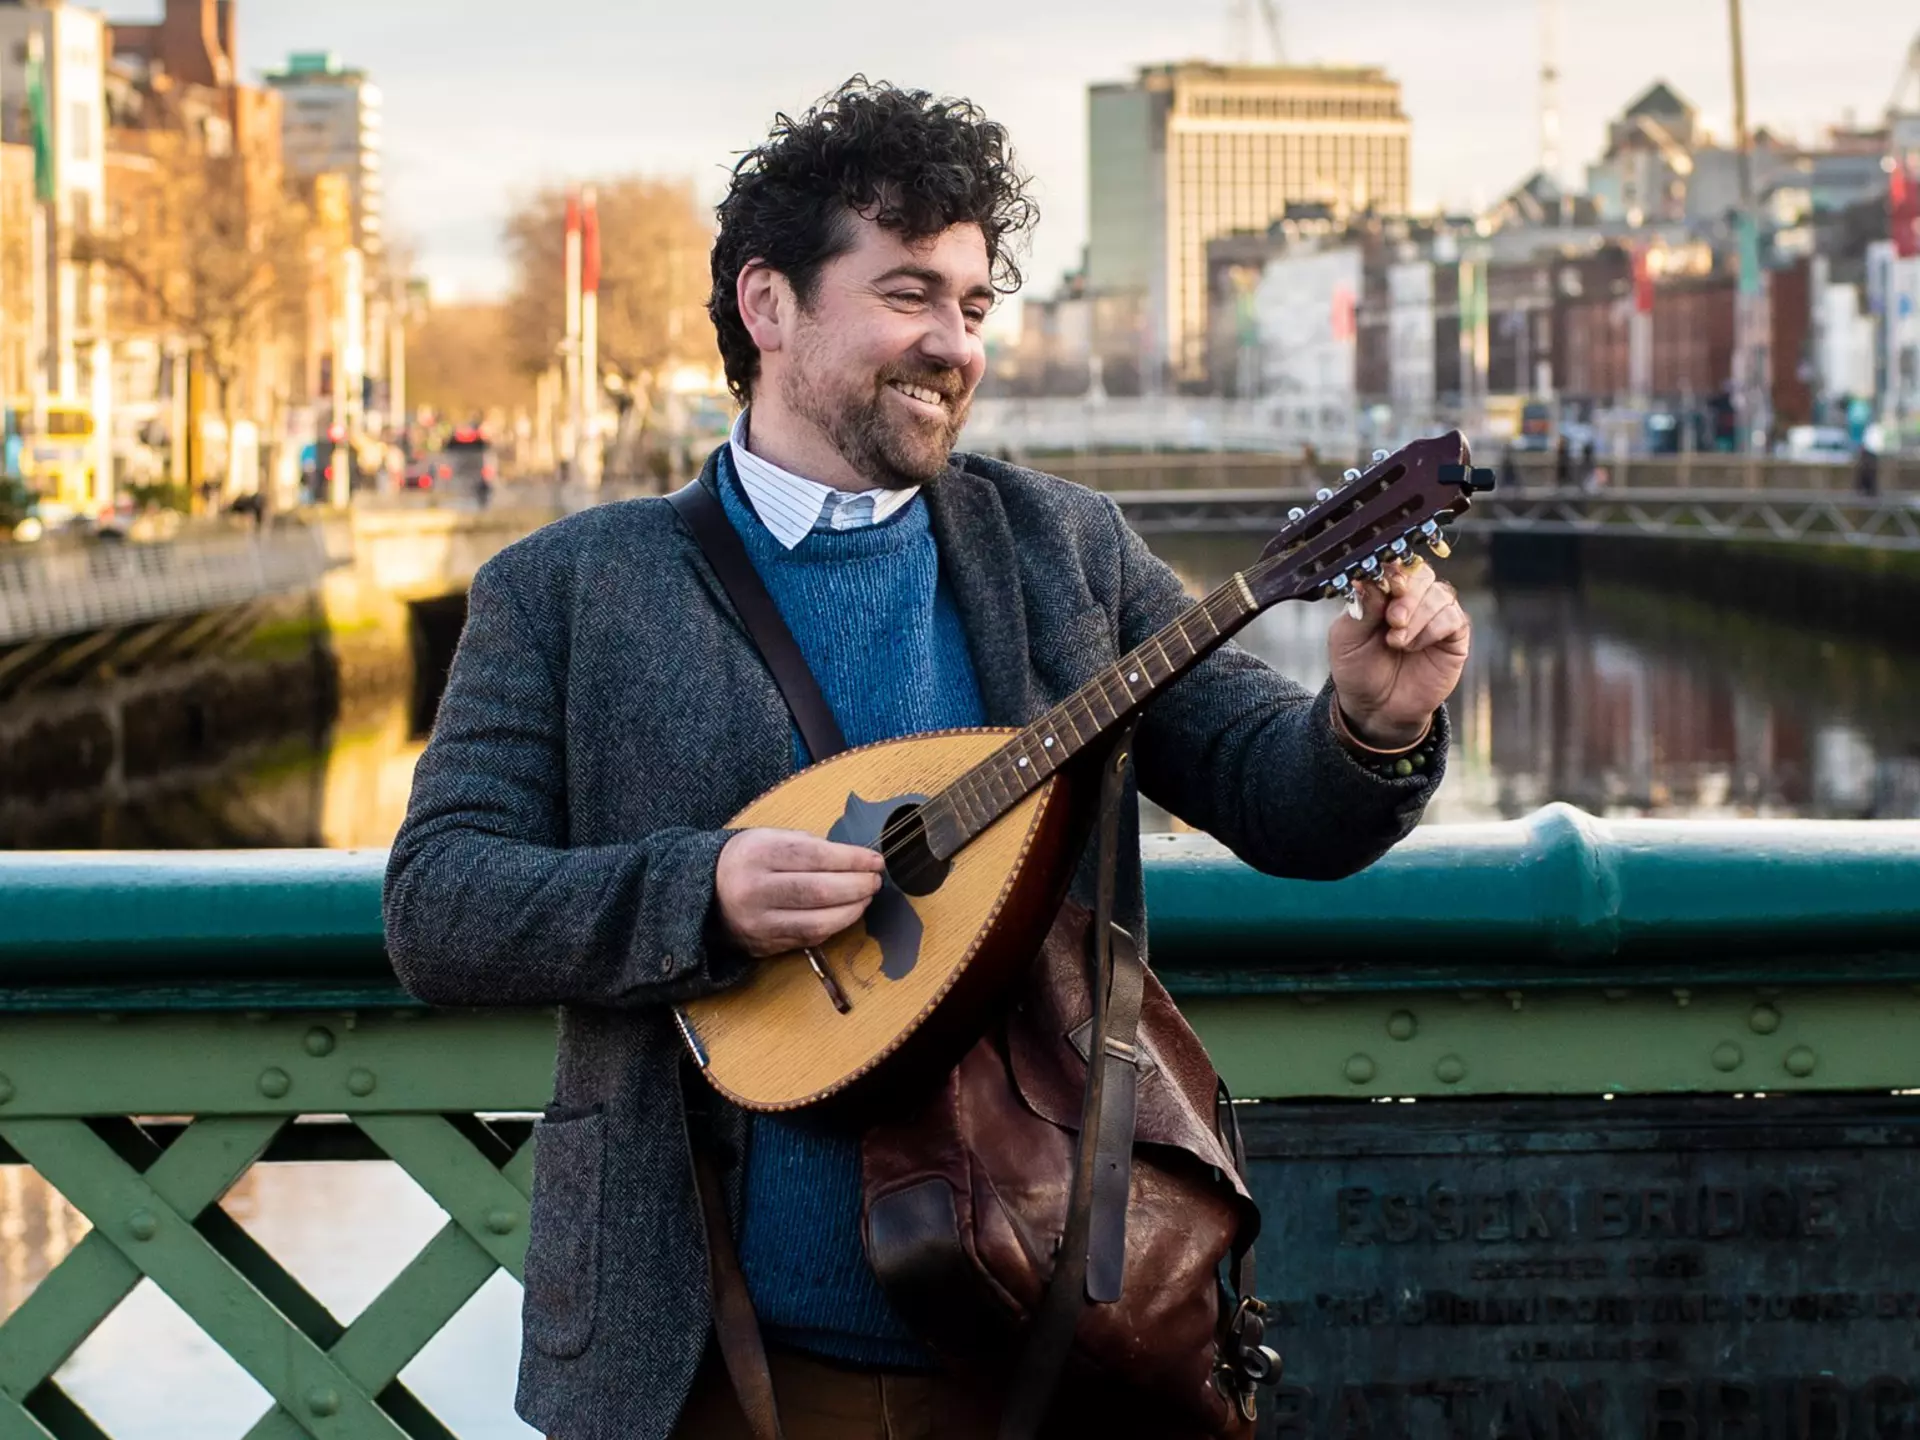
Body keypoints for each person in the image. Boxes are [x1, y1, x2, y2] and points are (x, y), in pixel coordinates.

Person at [382, 79, 1471, 1440]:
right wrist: (697, 897)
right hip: (705, 1365)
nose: (952, 344)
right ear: (768, 305)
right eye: (908, 295)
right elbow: (438, 908)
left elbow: (1279, 797)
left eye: (971, 306)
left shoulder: (1060, 548)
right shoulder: (567, 591)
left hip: (1039, 1351)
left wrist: (1375, 720)